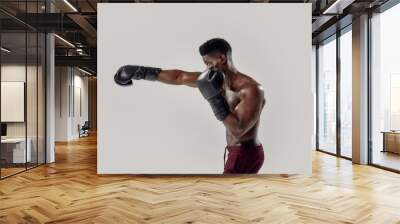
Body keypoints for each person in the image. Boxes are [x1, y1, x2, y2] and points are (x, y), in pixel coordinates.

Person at [114, 38, 266, 174]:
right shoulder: (216, 81)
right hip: (235, 152)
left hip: (245, 155)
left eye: (208, 63)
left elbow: (239, 130)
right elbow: (180, 77)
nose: (206, 69)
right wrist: (140, 72)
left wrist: (214, 99)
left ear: (221, 58)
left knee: (224, 198)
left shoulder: (251, 89)